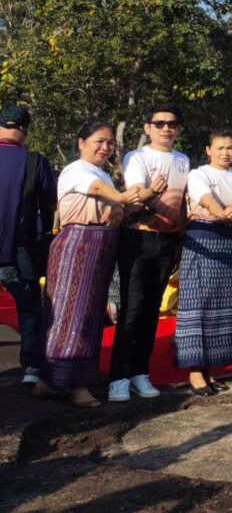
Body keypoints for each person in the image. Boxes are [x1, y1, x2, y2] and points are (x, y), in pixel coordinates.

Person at [34, 122, 140, 408]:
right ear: (81, 142)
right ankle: (75, 385)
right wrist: (120, 196)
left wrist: (138, 198)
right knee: (73, 312)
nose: (105, 147)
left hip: (100, 243)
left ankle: (47, 382)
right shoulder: (77, 169)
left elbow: (115, 206)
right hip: (78, 242)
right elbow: (97, 189)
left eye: (110, 144)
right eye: (99, 141)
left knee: (89, 311)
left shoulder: (102, 172)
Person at [110, 102, 189, 403]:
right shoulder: (137, 156)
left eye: (172, 123)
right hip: (138, 239)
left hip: (169, 241)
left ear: (179, 129)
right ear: (147, 128)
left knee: (152, 309)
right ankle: (118, 375)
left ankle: (140, 372)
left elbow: (182, 203)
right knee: (132, 308)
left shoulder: (183, 160)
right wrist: (152, 193)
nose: (166, 128)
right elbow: (135, 195)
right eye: (159, 123)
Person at [175, 130, 232, 395]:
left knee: (222, 307)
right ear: (209, 150)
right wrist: (221, 214)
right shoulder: (199, 174)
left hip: (231, 244)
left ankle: (210, 370)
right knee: (199, 305)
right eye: (219, 148)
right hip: (204, 240)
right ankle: (195, 371)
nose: (225, 153)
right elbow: (204, 199)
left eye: (230, 148)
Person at [0, 104, 55, 387]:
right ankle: (31, 367)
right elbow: (50, 202)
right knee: (30, 306)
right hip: (20, 248)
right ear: (26, 130)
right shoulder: (35, 161)